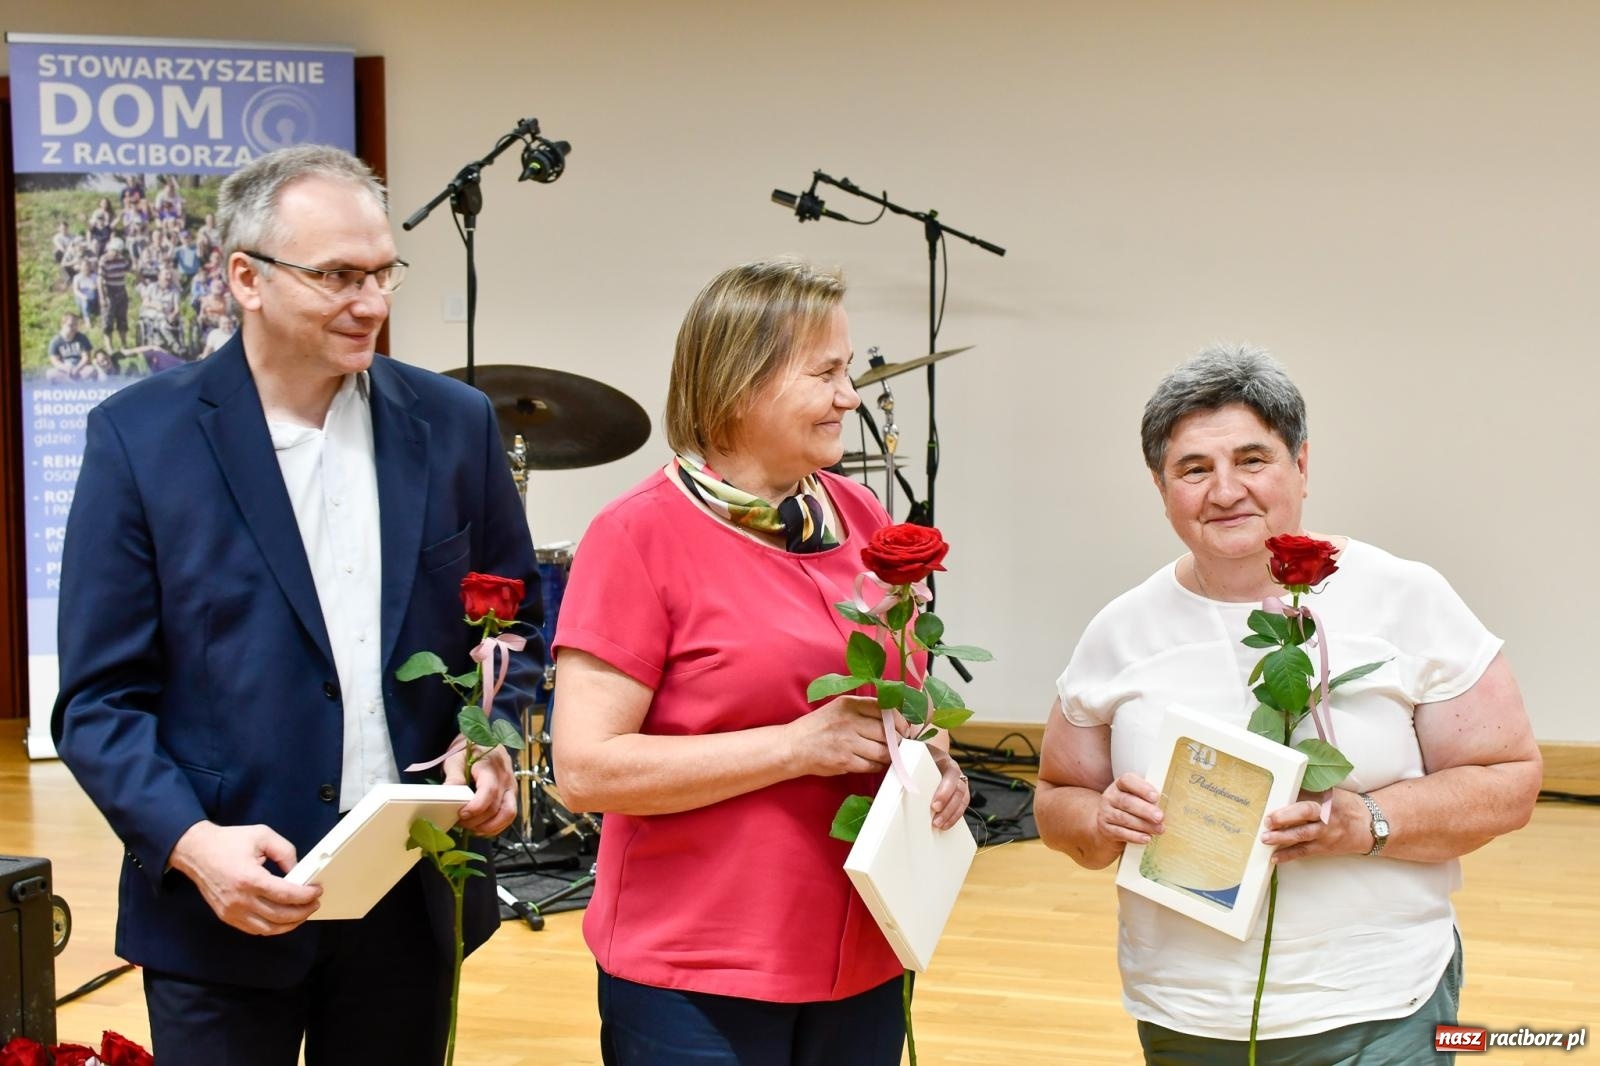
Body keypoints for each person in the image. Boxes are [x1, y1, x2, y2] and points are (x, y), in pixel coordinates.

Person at [52, 144, 542, 1065]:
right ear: (247, 278)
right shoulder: (139, 438)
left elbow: (517, 615)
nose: (373, 302)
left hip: (411, 895)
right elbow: (97, 703)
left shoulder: (454, 424)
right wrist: (193, 845)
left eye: (385, 272)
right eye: (340, 276)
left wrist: (495, 736)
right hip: (224, 906)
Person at [1034, 344, 1542, 1065]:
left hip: (1375, 1006)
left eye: (1252, 459)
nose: (1225, 490)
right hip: (1187, 1014)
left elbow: (1509, 779)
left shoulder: (1406, 597)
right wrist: (1099, 817)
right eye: (1194, 469)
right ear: (1160, 486)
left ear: (1301, 464)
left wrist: (1363, 821)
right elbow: (1058, 797)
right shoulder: (1121, 630)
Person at [551, 258, 971, 1066]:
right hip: (700, 969)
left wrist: (930, 758)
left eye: (847, 370)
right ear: (740, 386)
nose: (850, 396)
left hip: (862, 952)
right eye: (827, 374)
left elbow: (895, 694)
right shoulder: (637, 535)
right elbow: (586, 770)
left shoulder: (857, 512)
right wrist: (792, 748)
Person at [45, 312, 93, 384]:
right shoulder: (55, 341)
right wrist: (67, 369)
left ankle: (74, 384)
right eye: (70, 325)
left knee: (91, 370)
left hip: (80, 370)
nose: (74, 328)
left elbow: (86, 358)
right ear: (62, 325)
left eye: (76, 325)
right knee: (50, 374)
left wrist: (76, 369)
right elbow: (55, 362)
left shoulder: (82, 338)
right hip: (64, 371)